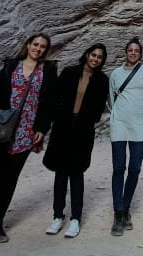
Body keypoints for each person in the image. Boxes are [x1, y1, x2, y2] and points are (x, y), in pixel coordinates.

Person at [0, 33, 56, 249]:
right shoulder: (11, 66)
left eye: (43, 46)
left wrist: (42, 128)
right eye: (35, 44)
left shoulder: (48, 71)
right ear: (28, 45)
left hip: (25, 133)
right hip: (0, 130)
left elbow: (48, 103)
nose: (38, 48)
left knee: (9, 180)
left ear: (46, 50)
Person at [43, 43, 109, 239]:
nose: (95, 59)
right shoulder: (69, 72)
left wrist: (85, 119)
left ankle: (75, 219)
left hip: (83, 130)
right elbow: (55, 95)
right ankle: (57, 216)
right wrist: (58, 116)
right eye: (93, 55)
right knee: (61, 173)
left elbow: (99, 108)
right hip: (62, 128)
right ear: (87, 54)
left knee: (77, 173)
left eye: (99, 57)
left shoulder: (102, 80)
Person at [109, 38, 143, 236]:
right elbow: (111, 99)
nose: (133, 53)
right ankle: (118, 212)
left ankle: (126, 206)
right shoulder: (115, 74)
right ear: (126, 52)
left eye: (137, 50)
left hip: (139, 124)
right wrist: (117, 115)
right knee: (118, 168)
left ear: (140, 53)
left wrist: (142, 114)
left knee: (135, 168)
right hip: (119, 124)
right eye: (130, 50)